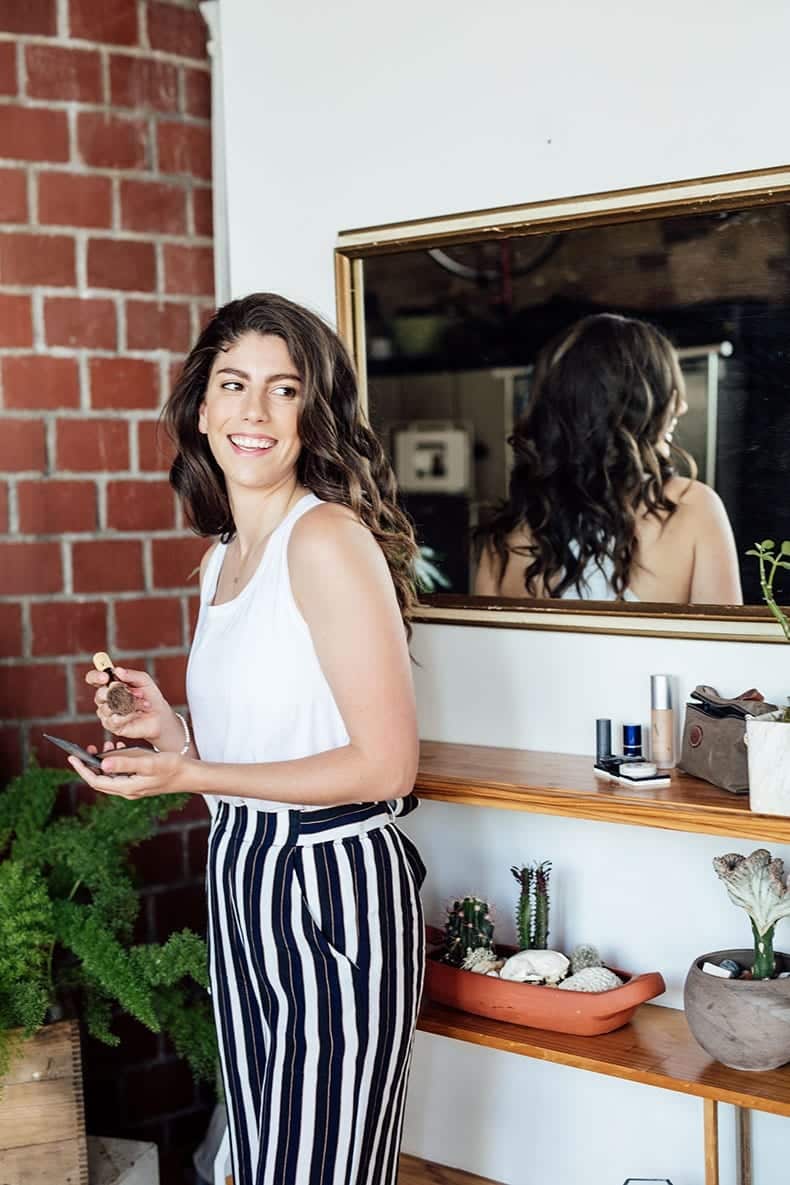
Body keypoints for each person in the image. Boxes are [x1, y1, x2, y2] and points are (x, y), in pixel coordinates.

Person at [67, 293, 427, 1185]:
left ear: (315, 411)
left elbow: (385, 763)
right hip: (245, 875)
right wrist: (174, 727)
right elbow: (286, 728)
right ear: (201, 405)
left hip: (329, 883)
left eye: (284, 389)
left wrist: (191, 769)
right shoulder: (224, 554)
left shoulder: (327, 540)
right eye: (234, 384)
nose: (254, 412)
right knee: (266, 1163)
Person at [474, 313, 743, 604]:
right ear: (633, 406)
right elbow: (727, 647)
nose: (681, 407)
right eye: (666, 392)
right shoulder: (693, 507)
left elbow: (480, 650)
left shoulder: (503, 538)